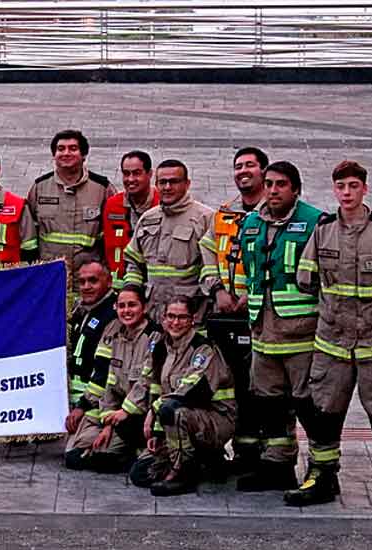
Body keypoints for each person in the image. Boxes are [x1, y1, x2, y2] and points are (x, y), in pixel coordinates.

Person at [288, 160, 372, 520]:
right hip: (333, 345)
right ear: (334, 190)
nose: (346, 193)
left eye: (353, 186)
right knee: (325, 414)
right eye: (341, 186)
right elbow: (306, 278)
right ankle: (322, 476)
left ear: (364, 190)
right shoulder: (323, 230)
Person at [234, 161, 324, 492]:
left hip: (302, 334)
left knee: (309, 404)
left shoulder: (315, 222)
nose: (273, 190)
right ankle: (278, 465)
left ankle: (322, 469)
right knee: (268, 403)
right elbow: (246, 270)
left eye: (281, 184)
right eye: (269, 183)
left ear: (296, 189)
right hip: (263, 333)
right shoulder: (253, 223)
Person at [199, 147, 270, 472]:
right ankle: (241, 454)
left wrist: (253, 297)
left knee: (265, 391)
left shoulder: (278, 213)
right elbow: (207, 253)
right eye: (238, 166)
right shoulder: (224, 216)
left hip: (264, 319)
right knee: (232, 386)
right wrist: (216, 289)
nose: (243, 171)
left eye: (250, 166)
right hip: (226, 315)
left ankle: (270, 460)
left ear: (264, 172)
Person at [128, 295, 236, 496]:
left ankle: (182, 473)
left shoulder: (203, 348)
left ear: (193, 319)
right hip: (178, 420)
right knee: (141, 474)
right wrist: (158, 433)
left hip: (215, 419)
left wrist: (154, 411)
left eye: (182, 317)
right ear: (163, 318)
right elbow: (155, 388)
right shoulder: (161, 347)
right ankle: (204, 460)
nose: (175, 322)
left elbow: (190, 392)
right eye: (171, 316)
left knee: (173, 409)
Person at [65, 285, 162, 472]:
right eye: (122, 306)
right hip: (117, 415)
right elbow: (109, 384)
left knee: (104, 461)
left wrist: (122, 414)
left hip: (141, 415)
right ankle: (119, 449)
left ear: (145, 307)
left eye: (132, 305)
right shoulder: (114, 335)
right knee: (73, 458)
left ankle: (137, 453)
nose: (126, 311)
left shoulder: (154, 337)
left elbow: (146, 383)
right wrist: (107, 423)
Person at [123, 159, 213, 322]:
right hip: (152, 317)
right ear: (155, 184)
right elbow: (134, 262)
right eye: (162, 182)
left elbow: (213, 269)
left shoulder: (205, 219)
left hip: (190, 320)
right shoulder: (148, 218)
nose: (167, 187)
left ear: (187, 184)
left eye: (174, 182)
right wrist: (132, 291)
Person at [27, 129, 114, 265]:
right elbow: (30, 230)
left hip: (88, 277)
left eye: (73, 149)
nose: (66, 153)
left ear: (84, 155)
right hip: (51, 273)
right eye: (61, 149)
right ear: (54, 155)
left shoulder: (102, 188)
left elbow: (113, 231)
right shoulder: (40, 187)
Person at [101, 150, 160, 289]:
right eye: (126, 173)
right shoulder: (112, 204)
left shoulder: (161, 203)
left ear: (150, 174)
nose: (131, 179)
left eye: (137, 173)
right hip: (119, 287)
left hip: (154, 286)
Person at [64, 260, 118, 407]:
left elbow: (105, 368)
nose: (86, 287)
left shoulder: (114, 315)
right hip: (71, 400)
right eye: (82, 282)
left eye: (93, 281)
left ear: (109, 281)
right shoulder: (80, 310)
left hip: (95, 405)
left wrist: (84, 405)